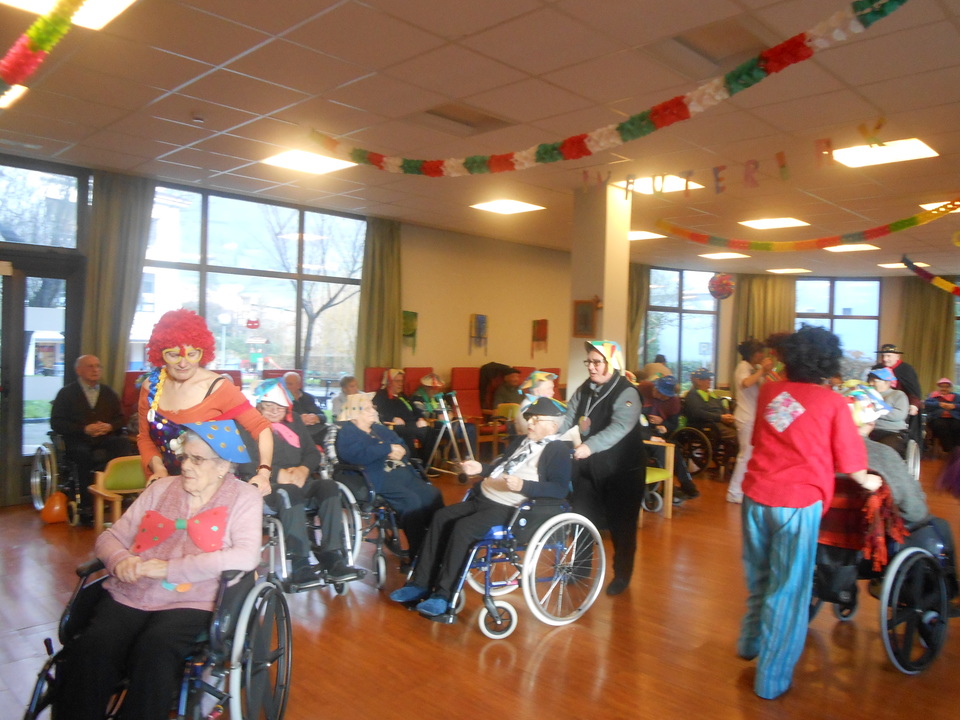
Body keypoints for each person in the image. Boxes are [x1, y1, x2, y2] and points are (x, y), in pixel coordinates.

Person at [55, 420, 262, 720]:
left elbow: (246, 556)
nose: (186, 466)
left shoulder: (244, 497)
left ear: (223, 466)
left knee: (156, 649)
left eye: (197, 459)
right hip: (132, 590)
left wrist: (170, 569)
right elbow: (110, 538)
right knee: (95, 645)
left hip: (194, 598)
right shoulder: (161, 488)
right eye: (184, 456)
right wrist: (119, 560)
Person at [739, 325, 880, 700]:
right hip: (797, 504)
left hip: (755, 497)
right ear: (828, 363)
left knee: (760, 577)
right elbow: (852, 463)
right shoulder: (832, 402)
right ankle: (771, 680)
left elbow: (761, 438)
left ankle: (750, 641)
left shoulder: (770, 392)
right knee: (788, 590)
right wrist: (868, 482)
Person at [388, 397, 572, 616]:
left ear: (553, 426)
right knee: (441, 517)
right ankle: (420, 583)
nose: (530, 422)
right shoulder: (522, 441)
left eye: (536, 419)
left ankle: (444, 595)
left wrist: (525, 486)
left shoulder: (558, 450)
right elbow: (501, 469)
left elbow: (559, 489)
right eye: (529, 418)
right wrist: (481, 469)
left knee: (463, 529)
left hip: (510, 509)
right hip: (483, 498)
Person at [136, 309, 274, 496]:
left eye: (192, 354)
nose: (183, 363)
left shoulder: (218, 387)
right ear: (160, 353)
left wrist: (264, 473)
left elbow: (261, 427)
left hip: (212, 490)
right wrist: (159, 469)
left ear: (202, 352)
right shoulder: (151, 387)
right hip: (167, 487)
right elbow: (144, 437)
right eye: (174, 355)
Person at [240, 379, 360, 584]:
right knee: (289, 492)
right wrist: (276, 474)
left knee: (329, 487)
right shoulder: (248, 426)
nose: (274, 411)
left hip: (300, 480)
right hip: (269, 487)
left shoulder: (294, 420)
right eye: (268, 406)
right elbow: (245, 464)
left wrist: (304, 469)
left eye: (279, 407)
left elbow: (313, 453)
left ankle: (332, 554)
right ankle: (300, 563)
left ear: (287, 406)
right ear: (258, 406)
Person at [556, 340, 646, 596]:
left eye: (597, 362)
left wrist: (589, 446)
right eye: (589, 362)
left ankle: (622, 575)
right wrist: (552, 437)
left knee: (622, 528)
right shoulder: (585, 388)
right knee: (582, 519)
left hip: (622, 471)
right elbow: (570, 418)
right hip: (588, 468)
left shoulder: (627, 392)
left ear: (611, 363)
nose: (591, 367)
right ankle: (580, 568)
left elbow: (620, 426)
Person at [336, 393, 444, 558]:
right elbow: (354, 455)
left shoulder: (379, 429)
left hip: (402, 472)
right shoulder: (348, 432)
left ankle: (438, 543)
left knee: (433, 495)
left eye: (373, 407)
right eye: (367, 409)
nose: (374, 411)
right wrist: (387, 449)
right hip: (377, 477)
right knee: (411, 501)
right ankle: (419, 553)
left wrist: (402, 451)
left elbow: (403, 446)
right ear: (354, 413)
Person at [50, 354, 131, 518]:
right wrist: (84, 429)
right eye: (90, 366)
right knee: (82, 454)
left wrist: (109, 426)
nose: (95, 370)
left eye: (98, 366)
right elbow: (56, 422)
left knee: (123, 444)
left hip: (105, 438)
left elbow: (121, 419)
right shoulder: (66, 393)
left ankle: (122, 493)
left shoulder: (108, 393)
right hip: (78, 440)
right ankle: (87, 505)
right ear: (78, 370)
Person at [843, 382, 929, 523]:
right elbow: (915, 512)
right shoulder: (885, 455)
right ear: (872, 421)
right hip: (872, 528)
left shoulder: (815, 450)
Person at [637, 374, 699, 502]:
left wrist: (663, 424)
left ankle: (684, 484)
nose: (660, 397)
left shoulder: (673, 402)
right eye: (659, 392)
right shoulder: (644, 389)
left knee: (673, 447)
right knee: (663, 449)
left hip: (657, 431)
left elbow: (673, 424)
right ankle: (673, 486)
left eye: (664, 396)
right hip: (641, 431)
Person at [728, 339, 775, 504]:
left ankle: (743, 489)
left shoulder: (752, 368)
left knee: (750, 455)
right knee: (745, 455)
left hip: (753, 417)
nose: (762, 355)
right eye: (760, 352)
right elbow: (746, 383)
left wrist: (765, 372)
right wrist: (762, 370)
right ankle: (734, 492)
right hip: (746, 417)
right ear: (753, 354)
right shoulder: (743, 367)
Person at [372, 368, 438, 465]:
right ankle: (417, 465)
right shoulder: (381, 395)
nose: (401, 384)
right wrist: (393, 418)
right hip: (397, 426)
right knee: (415, 433)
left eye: (402, 381)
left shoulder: (402, 395)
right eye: (397, 381)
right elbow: (377, 411)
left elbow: (415, 409)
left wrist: (420, 418)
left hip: (412, 423)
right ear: (389, 382)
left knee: (430, 432)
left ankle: (426, 465)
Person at [684, 368, 737, 442]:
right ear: (698, 381)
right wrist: (720, 417)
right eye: (707, 378)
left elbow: (721, 405)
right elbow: (698, 413)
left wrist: (727, 415)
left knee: (743, 429)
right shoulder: (692, 395)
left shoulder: (711, 394)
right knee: (737, 436)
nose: (710, 380)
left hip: (719, 421)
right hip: (708, 424)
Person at [866, 366, 909, 454]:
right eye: (869, 380)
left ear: (886, 382)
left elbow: (899, 414)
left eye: (874, 381)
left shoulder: (897, 394)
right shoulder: (866, 395)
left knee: (884, 451)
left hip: (891, 431)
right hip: (868, 431)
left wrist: (875, 411)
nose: (870, 383)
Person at [873, 343, 922, 415]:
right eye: (883, 356)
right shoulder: (876, 369)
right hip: (879, 404)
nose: (885, 359)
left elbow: (913, 390)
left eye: (888, 356)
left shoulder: (906, 369)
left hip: (901, 405)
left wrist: (914, 405)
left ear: (897, 356)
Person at [282, 370, 327, 445]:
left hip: (314, 431)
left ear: (298, 385)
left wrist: (316, 417)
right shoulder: (281, 399)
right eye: (285, 384)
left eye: (290, 384)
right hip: (294, 432)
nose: (286, 387)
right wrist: (299, 419)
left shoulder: (307, 398)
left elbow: (323, 417)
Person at [513, 370, 557, 434]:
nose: (553, 392)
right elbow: (530, 434)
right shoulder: (527, 407)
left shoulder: (543, 405)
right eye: (549, 389)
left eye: (552, 388)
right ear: (536, 391)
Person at [925, 378, 960, 454]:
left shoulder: (957, 396)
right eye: (942, 386)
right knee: (941, 426)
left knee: (957, 426)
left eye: (947, 387)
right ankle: (949, 449)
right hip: (937, 418)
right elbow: (927, 404)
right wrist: (939, 404)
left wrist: (954, 406)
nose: (944, 388)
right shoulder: (933, 395)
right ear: (939, 387)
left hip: (954, 418)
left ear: (950, 388)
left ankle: (957, 449)